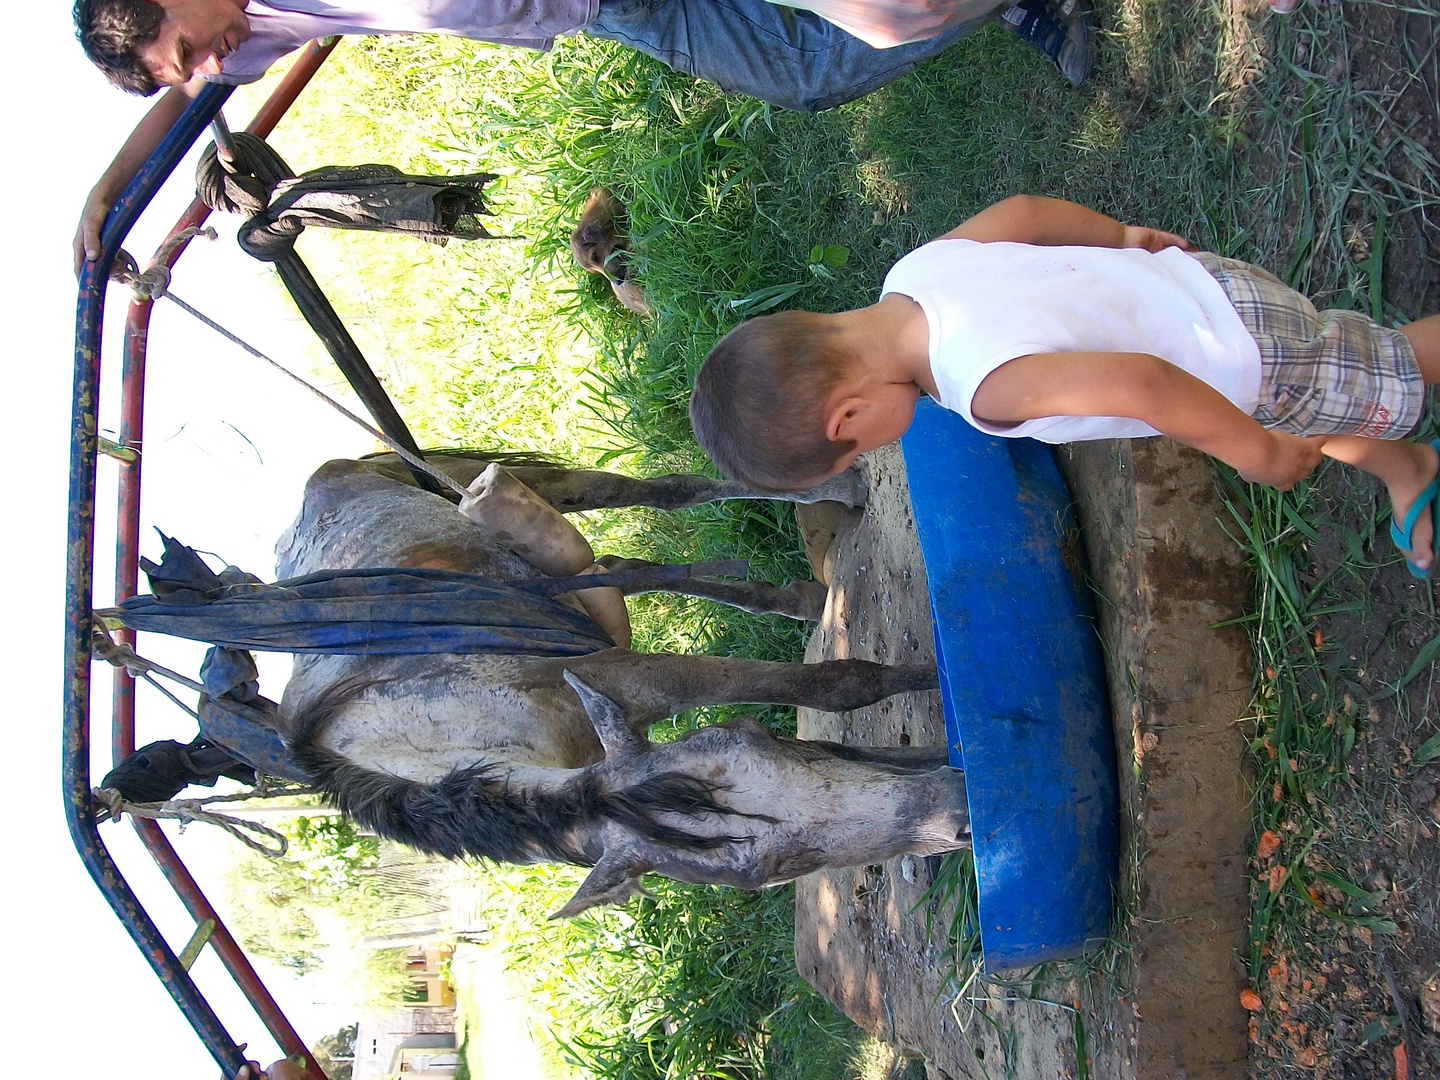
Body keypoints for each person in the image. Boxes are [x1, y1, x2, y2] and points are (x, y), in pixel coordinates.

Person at [688, 194, 1440, 577]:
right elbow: (1022, 214)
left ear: (847, 413)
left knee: (1392, 366)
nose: (875, 453)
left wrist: (1254, 456)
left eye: (854, 455)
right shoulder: (910, 277)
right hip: (1202, 292)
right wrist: (1118, 238)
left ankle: (1410, 454)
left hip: (1240, 356)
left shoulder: (981, 386)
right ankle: (1405, 466)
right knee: (1333, 386)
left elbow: (1142, 384)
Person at [71, 0, 1095, 274]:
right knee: (807, 74)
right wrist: (106, 196)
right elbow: (184, 111)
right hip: (605, 6)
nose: (211, 70)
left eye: (186, 48)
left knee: (882, 10)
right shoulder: (262, 27)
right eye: (189, 71)